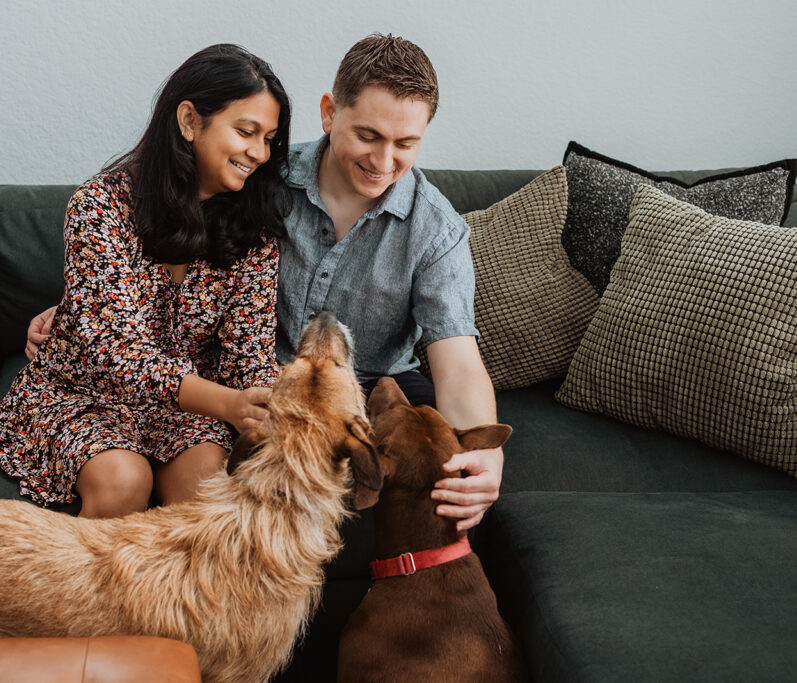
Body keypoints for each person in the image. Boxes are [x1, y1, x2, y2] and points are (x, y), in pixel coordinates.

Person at [27, 34, 504, 531]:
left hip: (350, 384)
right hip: (243, 383)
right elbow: (139, 265)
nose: (384, 162)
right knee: (154, 483)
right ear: (329, 113)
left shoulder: (433, 229)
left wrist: (483, 452)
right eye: (368, 136)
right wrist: (75, 311)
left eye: (405, 144)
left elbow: (459, 366)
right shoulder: (259, 183)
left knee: (432, 479)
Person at [0, 44, 291, 519]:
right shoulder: (100, 206)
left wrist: (270, 407)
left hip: (185, 408)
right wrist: (230, 403)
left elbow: (247, 356)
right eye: (246, 131)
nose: (259, 152)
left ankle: (175, 598)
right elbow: (114, 351)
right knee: (124, 481)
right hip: (83, 393)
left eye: (269, 138)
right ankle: (78, 595)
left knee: (208, 490)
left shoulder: (255, 230)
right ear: (189, 120)